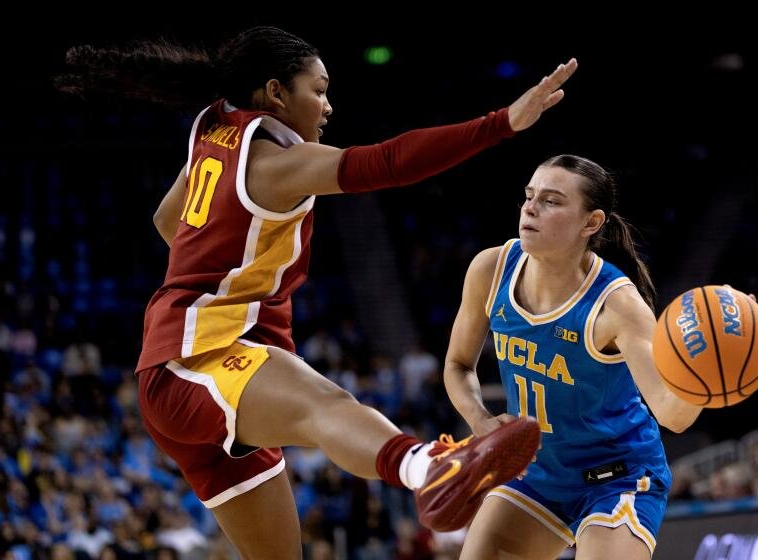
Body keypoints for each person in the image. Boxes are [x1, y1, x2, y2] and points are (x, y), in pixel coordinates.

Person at [57, 26, 577, 558]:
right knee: (325, 405)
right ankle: (429, 467)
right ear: (276, 92)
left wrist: (226, 267)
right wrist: (502, 123)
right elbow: (389, 162)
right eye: (319, 90)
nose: (328, 106)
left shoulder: (215, 127)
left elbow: (168, 221)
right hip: (198, 358)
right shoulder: (277, 165)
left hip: (183, 372)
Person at [443, 154, 703, 559]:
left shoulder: (617, 305)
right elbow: (458, 366)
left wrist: (704, 377)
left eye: (551, 201)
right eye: (529, 196)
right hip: (538, 473)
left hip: (617, 477)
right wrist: (481, 421)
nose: (530, 208)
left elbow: (673, 413)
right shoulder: (491, 270)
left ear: (591, 222)